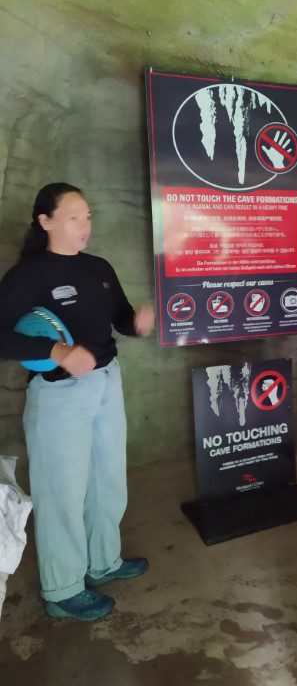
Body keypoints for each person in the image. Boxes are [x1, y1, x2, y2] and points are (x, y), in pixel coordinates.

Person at [0, 183, 155, 621]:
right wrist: (58, 352)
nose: (85, 225)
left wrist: (137, 323)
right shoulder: (28, 274)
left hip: (107, 382)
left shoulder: (98, 267)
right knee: (62, 493)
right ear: (45, 221)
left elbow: (121, 319)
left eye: (88, 216)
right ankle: (63, 588)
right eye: (74, 217)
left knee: (108, 480)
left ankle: (103, 561)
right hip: (58, 393)